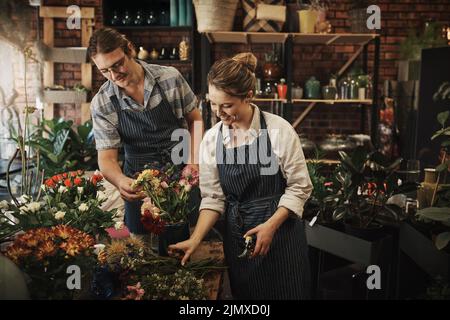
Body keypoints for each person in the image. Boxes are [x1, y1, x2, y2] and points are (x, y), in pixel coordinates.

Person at [169, 52, 313, 300]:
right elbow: (213, 199)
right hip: (238, 237)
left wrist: (270, 226)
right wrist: (196, 240)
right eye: (213, 104)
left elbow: (300, 187)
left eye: (226, 105)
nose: (218, 112)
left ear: (248, 96)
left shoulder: (278, 130)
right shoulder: (213, 140)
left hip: (281, 235)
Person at [88, 28, 202, 235]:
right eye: (105, 71)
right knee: (142, 247)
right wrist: (121, 181)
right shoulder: (103, 102)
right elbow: (107, 158)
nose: (114, 75)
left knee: (184, 239)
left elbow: (195, 121)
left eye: (117, 64)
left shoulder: (169, 79)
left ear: (130, 49)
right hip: (137, 181)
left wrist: (193, 163)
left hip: (180, 171)